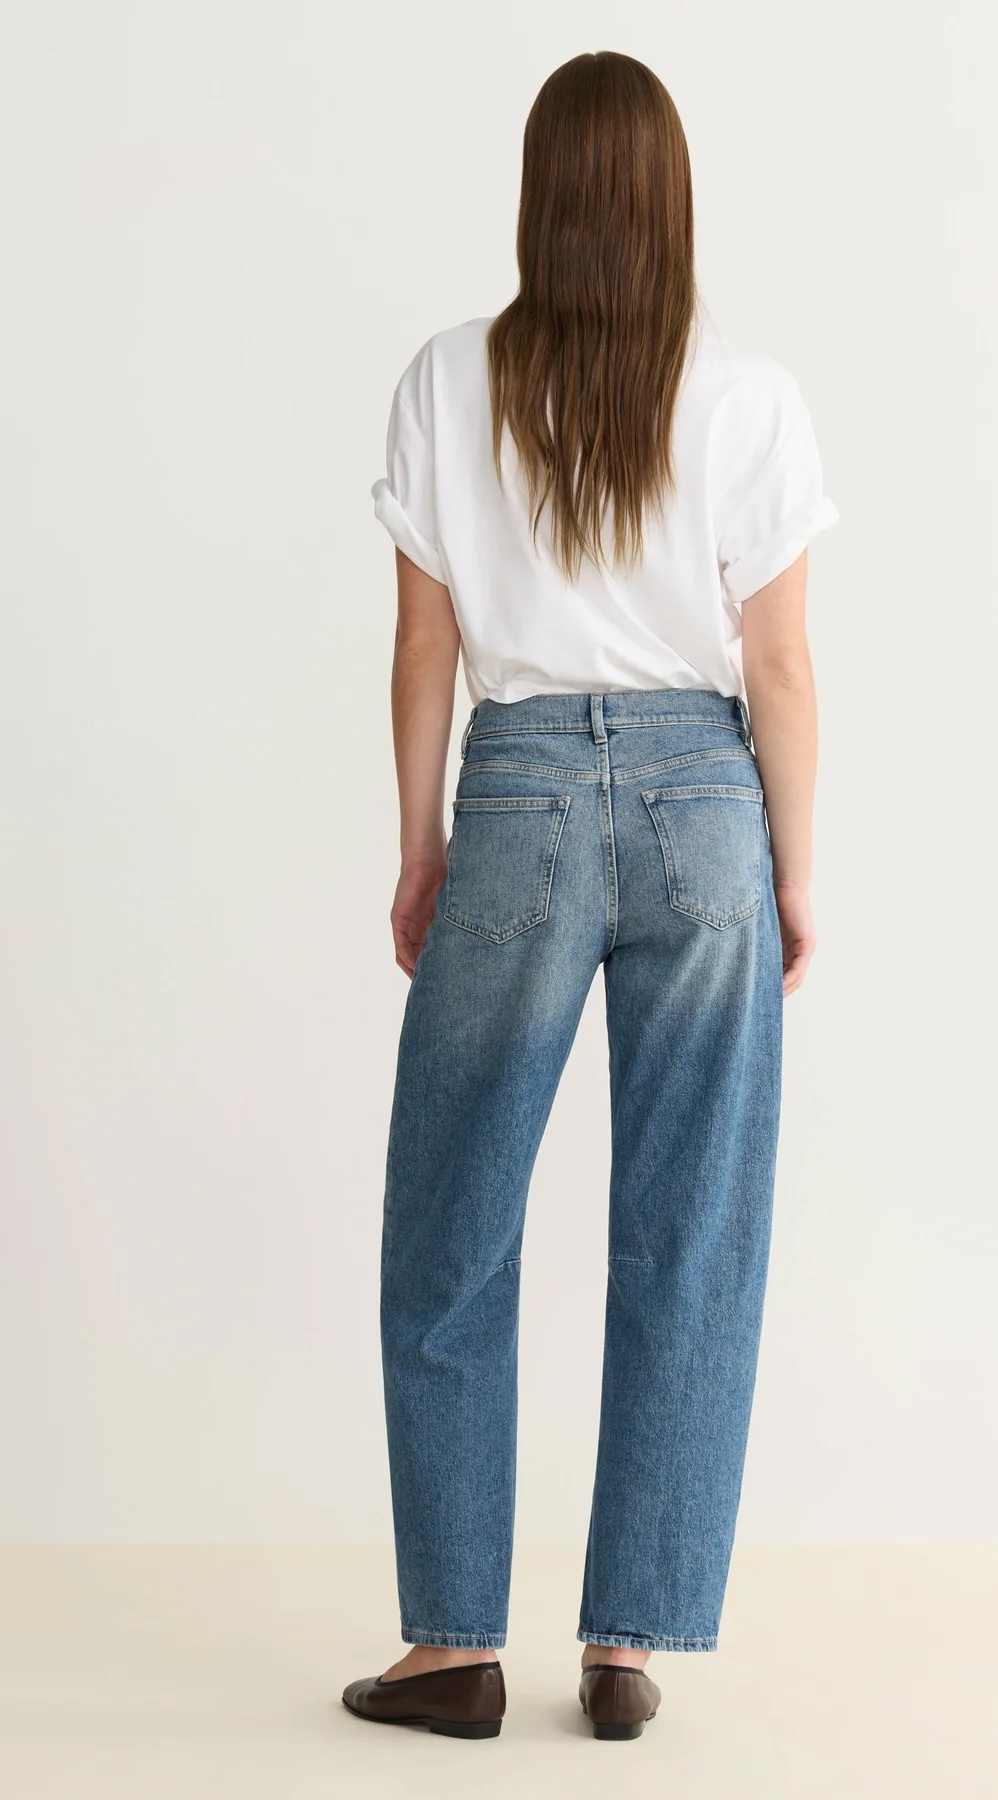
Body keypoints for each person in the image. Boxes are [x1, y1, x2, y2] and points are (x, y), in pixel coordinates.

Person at [341, 49, 837, 1744]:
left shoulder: (443, 377)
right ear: (669, 198)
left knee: (451, 1223)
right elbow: (778, 665)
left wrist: (422, 848)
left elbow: (424, 648)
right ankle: (626, 1644)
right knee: (687, 1233)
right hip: (710, 803)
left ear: (542, 196)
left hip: (523, 793)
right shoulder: (751, 392)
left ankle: (451, 1646)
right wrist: (791, 867)